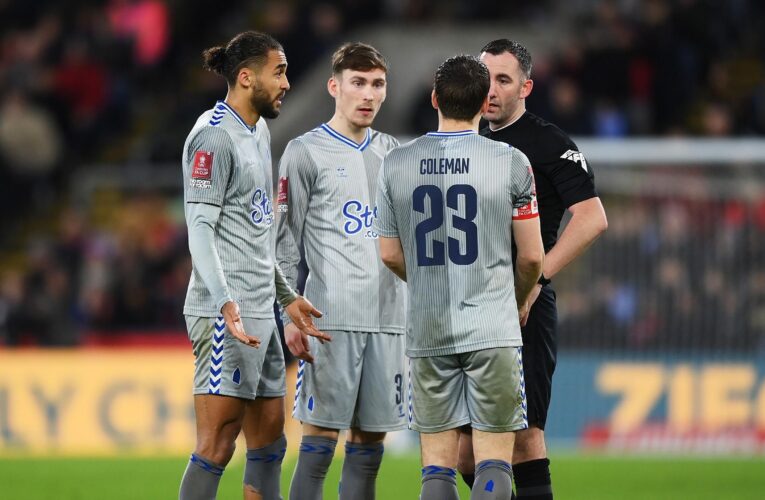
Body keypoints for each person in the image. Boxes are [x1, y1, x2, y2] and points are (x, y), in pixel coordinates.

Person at [374, 54, 545, 500]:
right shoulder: (511, 162)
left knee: (437, 465)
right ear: (484, 100)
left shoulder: (396, 163)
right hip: (492, 325)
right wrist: (518, 299)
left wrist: (430, 281)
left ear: (434, 99)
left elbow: (389, 253)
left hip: (428, 327)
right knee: (492, 459)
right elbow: (531, 257)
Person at [178, 31, 331, 500]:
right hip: (226, 315)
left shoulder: (258, 130)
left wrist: (286, 296)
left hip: (260, 312)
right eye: (278, 72)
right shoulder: (212, 137)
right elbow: (199, 229)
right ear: (246, 78)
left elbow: (255, 233)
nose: (286, 83)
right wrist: (226, 302)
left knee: (269, 442)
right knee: (218, 444)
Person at [457, 39, 608, 500]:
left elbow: (592, 217)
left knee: (524, 438)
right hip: (466, 304)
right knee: (463, 454)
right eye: (485, 80)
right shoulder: (464, 137)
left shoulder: (547, 142)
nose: (492, 91)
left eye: (503, 80)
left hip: (522, 304)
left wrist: (538, 280)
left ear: (526, 86)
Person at [275, 42, 407, 500]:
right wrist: (288, 309)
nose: (367, 94)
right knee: (318, 446)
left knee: (369, 448)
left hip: (390, 322)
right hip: (330, 321)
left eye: (377, 84)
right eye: (358, 83)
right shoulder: (304, 152)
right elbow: (283, 240)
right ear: (334, 87)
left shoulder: (396, 154)